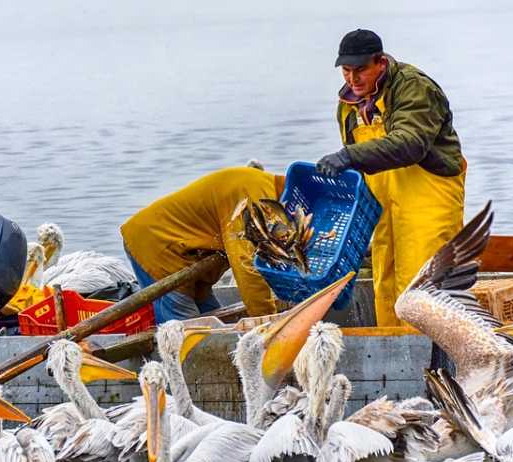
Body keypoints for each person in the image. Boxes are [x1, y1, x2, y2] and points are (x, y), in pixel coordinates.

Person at [316, 29, 466, 327]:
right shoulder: (347, 107)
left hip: (428, 202)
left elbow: (410, 143)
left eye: (360, 70)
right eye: (346, 70)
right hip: (384, 209)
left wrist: (348, 156)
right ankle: (396, 360)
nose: (352, 79)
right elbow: (361, 167)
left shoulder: (413, 87)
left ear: (380, 63)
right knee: (385, 284)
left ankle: (433, 365)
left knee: (424, 290)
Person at [121, 166, 283, 323]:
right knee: (185, 330)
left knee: (212, 319)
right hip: (156, 245)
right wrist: (266, 320)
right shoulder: (253, 197)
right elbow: (246, 263)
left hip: (191, 256)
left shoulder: (266, 188)